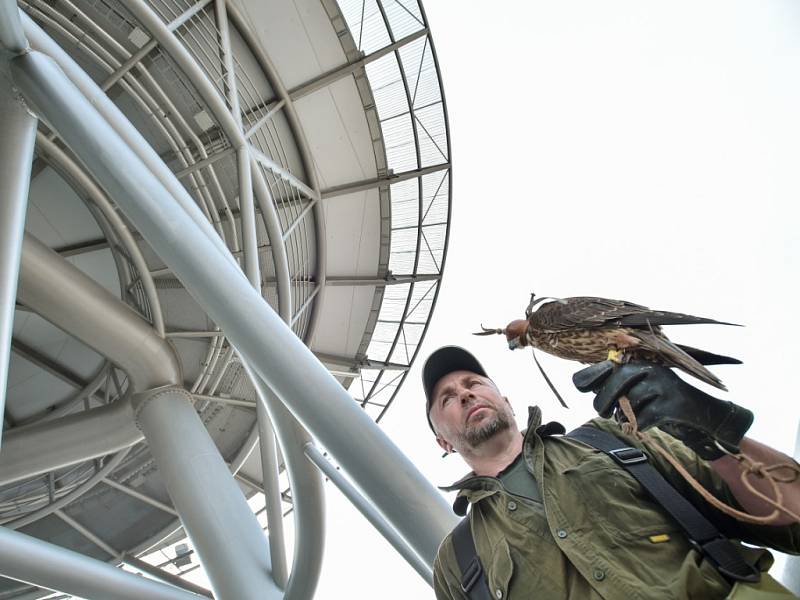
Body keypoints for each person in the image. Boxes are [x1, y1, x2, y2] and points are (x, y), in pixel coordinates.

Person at [423, 345, 800, 600]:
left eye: (473, 384)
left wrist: (715, 437)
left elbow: (790, 516)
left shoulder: (612, 438)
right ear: (443, 442)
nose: (465, 394)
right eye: (448, 398)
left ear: (505, 402)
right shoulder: (457, 562)